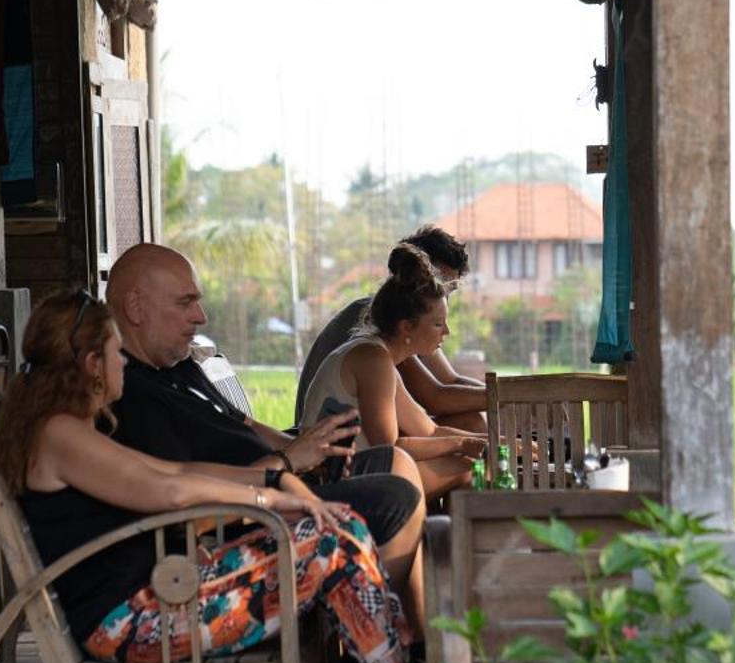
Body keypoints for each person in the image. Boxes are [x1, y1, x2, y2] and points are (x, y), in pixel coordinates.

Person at [0, 290, 416, 663]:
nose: (123, 362)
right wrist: (268, 498)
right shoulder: (61, 435)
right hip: (133, 622)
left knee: (339, 527)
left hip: (160, 596)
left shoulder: (67, 430)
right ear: (91, 366)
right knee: (330, 543)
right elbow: (170, 493)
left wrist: (276, 479)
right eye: (116, 352)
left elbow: (177, 472)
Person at [103, 243, 428, 625]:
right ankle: (372, 645)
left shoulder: (178, 367)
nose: (201, 317)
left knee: (396, 463)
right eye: (185, 302)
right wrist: (287, 463)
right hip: (247, 520)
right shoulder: (131, 397)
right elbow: (188, 500)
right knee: (396, 498)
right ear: (136, 307)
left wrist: (309, 447)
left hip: (280, 486)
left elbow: (244, 424)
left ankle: (413, 639)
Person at [297, 243, 487, 504]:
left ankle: (437, 538)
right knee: (468, 467)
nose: (446, 332)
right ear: (406, 327)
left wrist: (498, 441)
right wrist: (462, 444)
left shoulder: (381, 358)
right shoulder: (372, 360)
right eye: (437, 324)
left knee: (473, 460)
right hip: (334, 482)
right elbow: (388, 450)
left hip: (357, 471)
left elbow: (430, 431)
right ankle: (443, 542)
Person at [296, 225, 487, 433]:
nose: (442, 296)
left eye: (449, 290)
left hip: (350, 435)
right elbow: (435, 398)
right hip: (327, 445)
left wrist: (509, 396)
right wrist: (507, 399)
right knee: (472, 424)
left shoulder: (408, 320)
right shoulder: (384, 324)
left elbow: (450, 380)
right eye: (438, 285)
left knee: (472, 425)